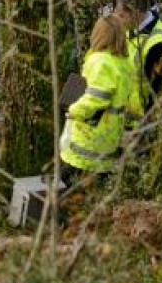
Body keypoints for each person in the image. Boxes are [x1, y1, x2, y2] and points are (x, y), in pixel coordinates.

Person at [60, 14, 140, 175]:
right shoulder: (124, 63)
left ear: (99, 34)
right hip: (109, 137)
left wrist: (74, 110)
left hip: (88, 138)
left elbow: (96, 98)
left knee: (67, 186)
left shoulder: (100, 61)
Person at [116, 0, 162, 113]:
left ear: (137, 12)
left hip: (137, 120)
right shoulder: (131, 30)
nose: (118, 20)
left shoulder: (157, 44)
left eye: (122, 16)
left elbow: (156, 94)